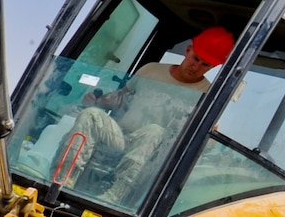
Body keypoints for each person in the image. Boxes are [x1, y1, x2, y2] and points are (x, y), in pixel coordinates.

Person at [61, 25, 234, 204]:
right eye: (195, 58)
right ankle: (63, 180)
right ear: (188, 50)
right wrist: (98, 101)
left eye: (204, 64)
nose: (196, 66)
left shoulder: (207, 95)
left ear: (213, 66)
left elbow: (208, 142)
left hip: (153, 159)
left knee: (154, 131)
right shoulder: (150, 70)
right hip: (120, 139)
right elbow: (121, 98)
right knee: (90, 115)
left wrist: (209, 132)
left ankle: (113, 198)